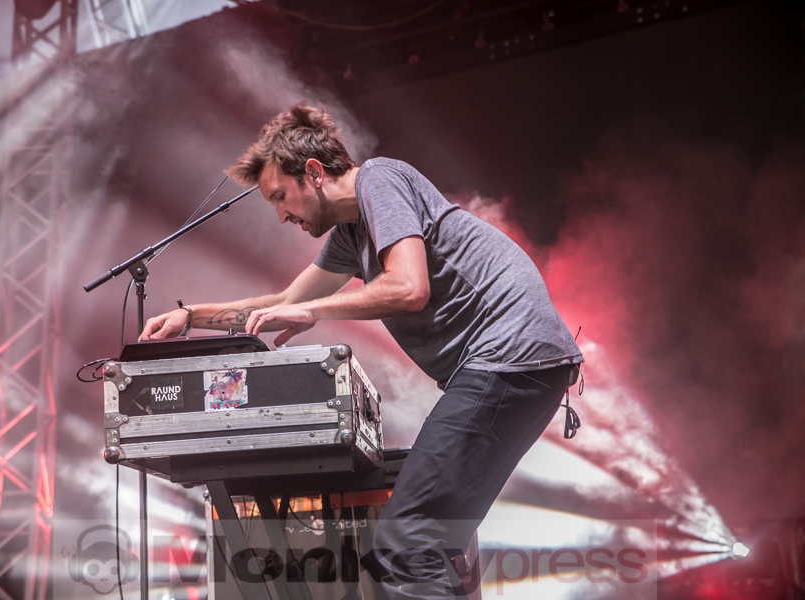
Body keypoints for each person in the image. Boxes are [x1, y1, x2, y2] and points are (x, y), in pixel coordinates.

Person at [140, 103, 584, 598]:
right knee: (425, 542)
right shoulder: (352, 233)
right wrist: (191, 315)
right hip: (517, 366)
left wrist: (316, 313)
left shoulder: (380, 180)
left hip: (509, 355)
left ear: (313, 172)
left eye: (280, 197)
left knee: (407, 544)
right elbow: (287, 302)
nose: (282, 215)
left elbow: (408, 287)